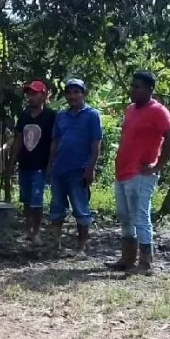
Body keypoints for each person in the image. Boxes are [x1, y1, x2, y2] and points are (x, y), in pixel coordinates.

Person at [106, 70, 170, 275]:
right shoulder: (130, 109)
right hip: (122, 172)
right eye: (132, 86)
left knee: (140, 217)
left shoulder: (158, 110)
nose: (132, 90)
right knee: (124, 216)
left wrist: (157, 166)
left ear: (149, 89)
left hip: (140, 174)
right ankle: (127, 259)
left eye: (137, 87)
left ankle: (145, 263)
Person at [47, 79, 102, 253]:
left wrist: (90, 168)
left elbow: (96, 144)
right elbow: (55, 141)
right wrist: (50, 165)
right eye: (69, 92)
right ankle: (56, 244)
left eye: (76, 92)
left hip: (79, 170)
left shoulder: (92, 115)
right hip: (59, 168)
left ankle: (82, 245)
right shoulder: (61, 115)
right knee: (56, 208)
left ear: (83, 94)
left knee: (81, 208)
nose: (73, 96)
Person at [11, 80, 56, 245]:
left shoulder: (51, 116)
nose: (31, 97)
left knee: (37, 200)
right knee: (26, 200)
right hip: (25, 164)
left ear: (44, 96)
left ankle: (36, 232)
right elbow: (18, 139)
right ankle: (28, 230)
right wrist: (13, 161)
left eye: (35, 94)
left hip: (41, 166)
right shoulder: (24, 115)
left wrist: (51, 164)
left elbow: (54, 141)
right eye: (29, 94)